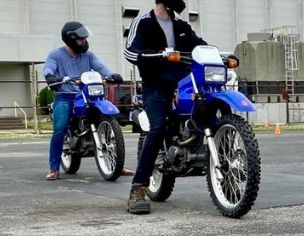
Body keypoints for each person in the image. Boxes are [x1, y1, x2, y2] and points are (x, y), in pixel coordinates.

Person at [123, 0, 207, 214]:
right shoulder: (143, 22)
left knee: (206, 113)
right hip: (156, 87)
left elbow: (199, 45)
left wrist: (216, 54)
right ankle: (138, 189)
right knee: (157, 128)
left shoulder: (181, 26)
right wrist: (156, 55)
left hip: (182, 84)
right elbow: (130, 52)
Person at [42, 21, 128, 181]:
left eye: (85, 38)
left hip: (87, 94)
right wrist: (50, 77)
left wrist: (112, 75)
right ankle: (54, 168)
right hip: (65, 95)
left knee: (105, 116)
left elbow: (100, 67)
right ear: (70, 39)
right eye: (81, 39)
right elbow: (48, 68)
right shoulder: (55, 54)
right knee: (60, 128)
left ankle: (118, 165)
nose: (85, 42)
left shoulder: (88, 55)